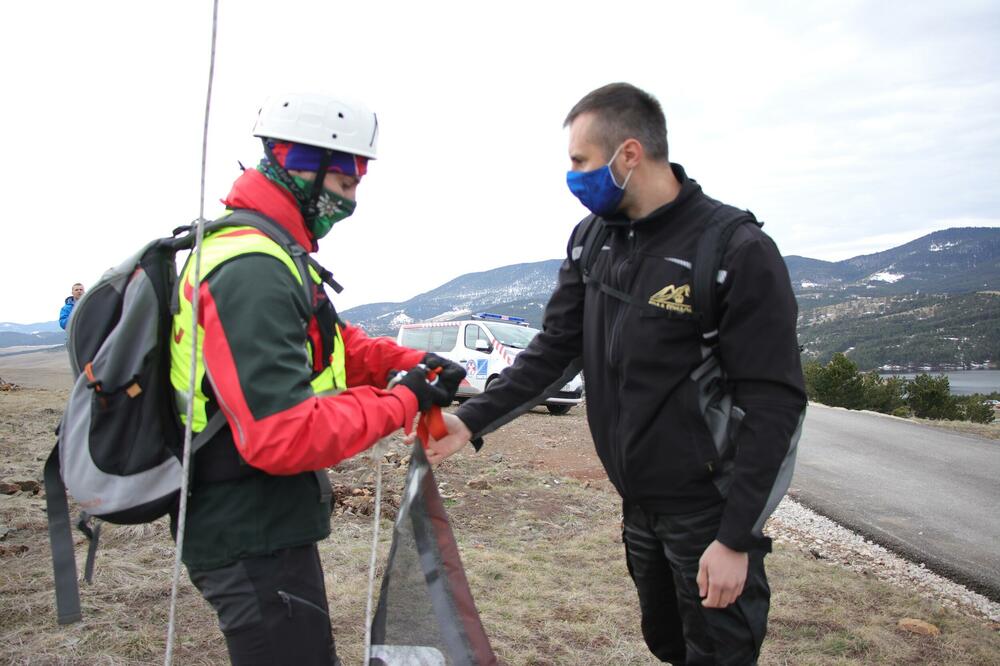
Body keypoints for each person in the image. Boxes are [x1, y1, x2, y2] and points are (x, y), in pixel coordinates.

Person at [427, 83, 806, 665]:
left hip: (708, 508)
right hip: (638, 504)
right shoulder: (592, 240)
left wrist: (736, 539)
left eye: (580, 161)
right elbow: (556, 349)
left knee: (720, 654)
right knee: (668, 643)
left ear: (629, 154)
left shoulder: (733, 249)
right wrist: (470, 420)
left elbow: (775, 401)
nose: (573, 175)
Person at [168, 92, 465, 666]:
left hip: (260, 518)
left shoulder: (274, 252)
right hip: (248, 529)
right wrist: (403, 400)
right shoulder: (253, 268)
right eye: (347, 185)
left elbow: (325, 344)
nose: (351, 202)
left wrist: (395, 363)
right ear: (304, 169)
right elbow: (283, 434)